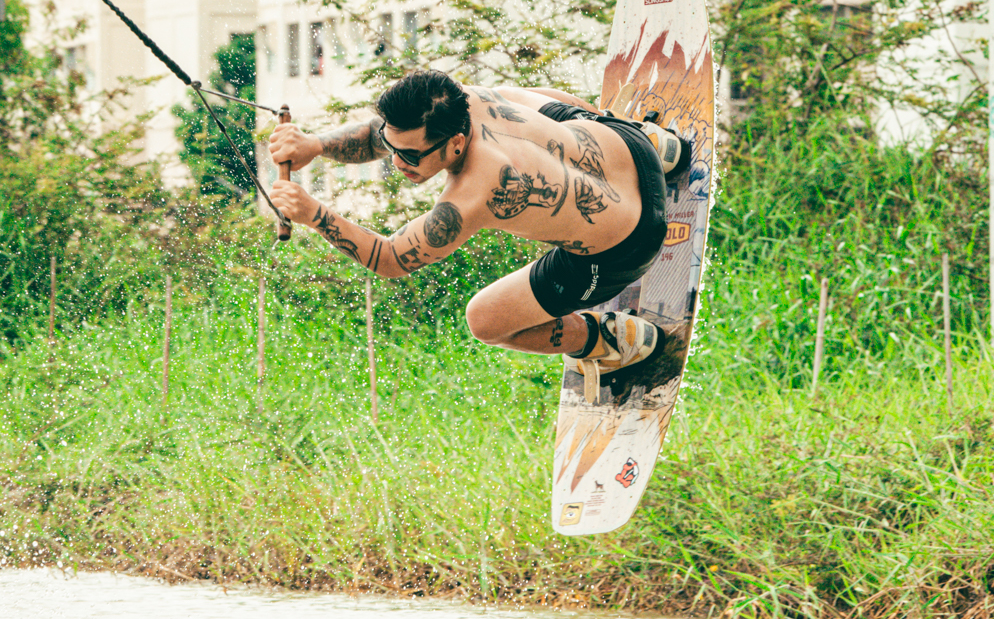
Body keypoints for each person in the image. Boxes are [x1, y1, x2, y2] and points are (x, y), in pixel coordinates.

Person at [265, 70, 689, 396]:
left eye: (410, 156)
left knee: (484, 322)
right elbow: (387, 136)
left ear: (454, 144)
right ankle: (661, 145)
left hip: (630, 242)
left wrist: (314, 214)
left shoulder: (472, 193)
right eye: (393, 148)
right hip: (630, 145)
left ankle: (609, 340)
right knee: (518, 98)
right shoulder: (456, 100)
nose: (397, 162)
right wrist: (315, 145)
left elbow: (391, 259)